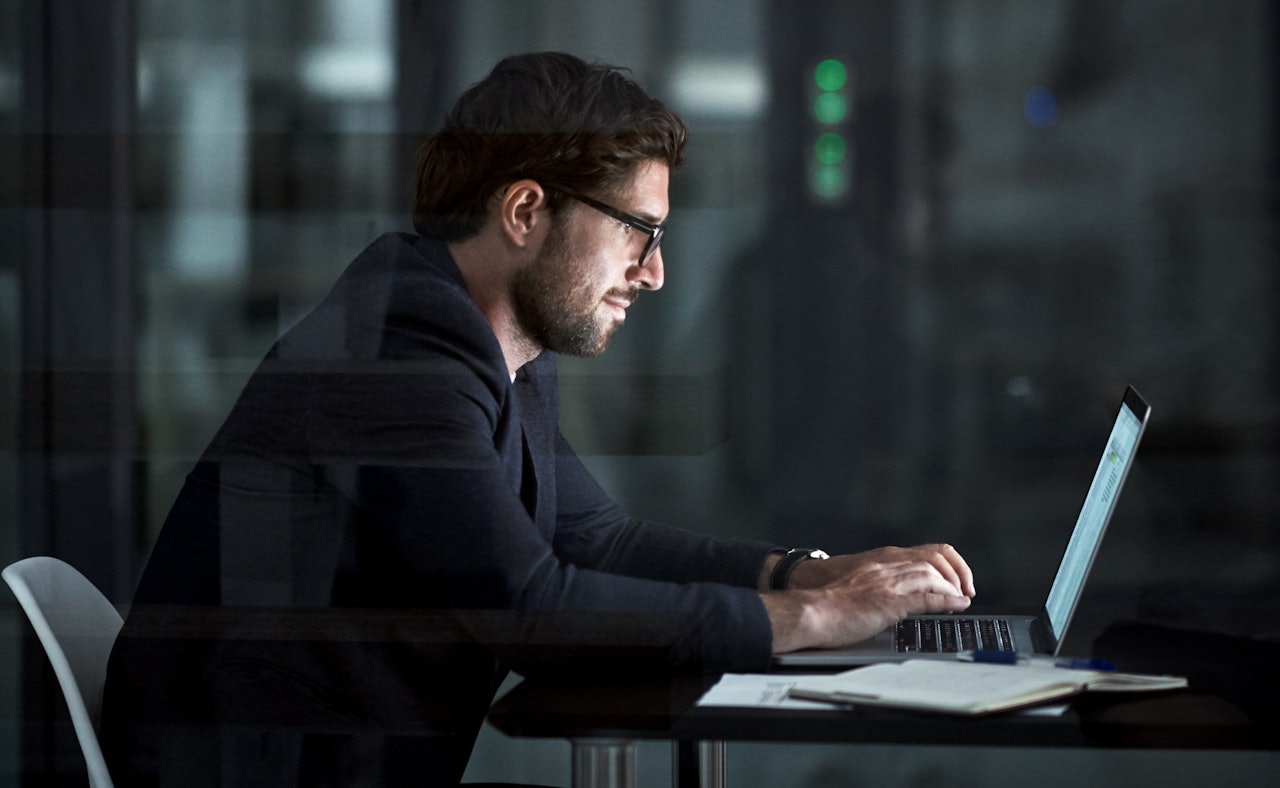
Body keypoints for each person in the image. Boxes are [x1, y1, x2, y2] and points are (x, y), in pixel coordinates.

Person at [102, 52, 975, 787]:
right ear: (525, 212)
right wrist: (821, 622)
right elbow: (534, 610)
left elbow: (597, 539)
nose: (655, 273)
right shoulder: (397, 357)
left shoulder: (479, 339)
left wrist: (809, 576)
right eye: (640, 230)